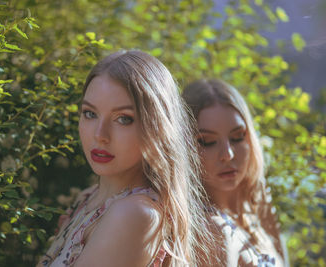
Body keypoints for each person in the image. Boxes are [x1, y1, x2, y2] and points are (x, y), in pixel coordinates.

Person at [37, 50, 209, 267]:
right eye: (90, 113)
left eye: (123, 119)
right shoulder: (90, 197)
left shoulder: (134, 214)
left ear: (157, 128)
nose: (100, 135)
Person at [183, 79, 288, 267]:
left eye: (237, 137)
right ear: (184, 147)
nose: (228, 154)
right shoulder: (210, 230)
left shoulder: (254, 209)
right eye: (207, 141)